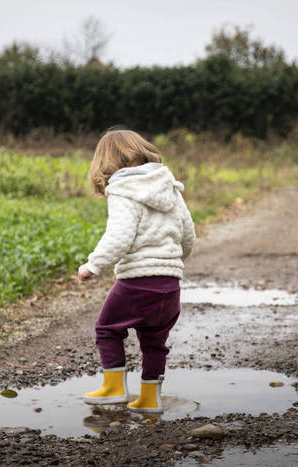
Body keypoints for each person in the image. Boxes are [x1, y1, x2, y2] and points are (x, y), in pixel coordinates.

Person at [77, 128, 195, 413]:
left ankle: (115, 387)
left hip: (137, 282)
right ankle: (149, 399)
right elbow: (188, 233)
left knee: (107, 328)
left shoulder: (122, 191)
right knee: (155, 341)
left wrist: (93, 265)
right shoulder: (170, 186)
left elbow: (120, 235)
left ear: (106, 162)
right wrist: (173, 262)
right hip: (170, 283)